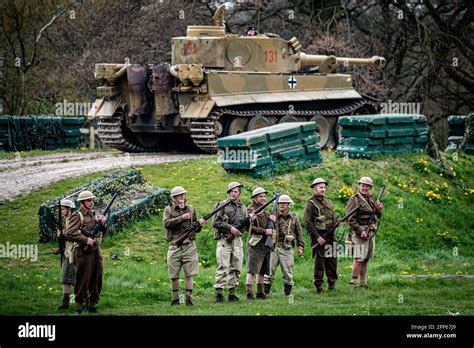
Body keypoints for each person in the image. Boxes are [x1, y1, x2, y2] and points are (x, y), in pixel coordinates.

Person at [65, 190, 107, 315]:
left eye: (92, 200)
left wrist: (103, 222)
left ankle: (92, 304)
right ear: (82, 202)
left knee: (97, 276)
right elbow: (69, 233)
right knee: (82, 278)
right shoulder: (77, 216)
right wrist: (85, 240)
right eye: (88, 200)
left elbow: (104, 231)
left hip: (95, 251)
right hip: (82, 252)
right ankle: (78, 306)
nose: (91, 202)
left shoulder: (94, 214)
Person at [163, 186, 205, 306]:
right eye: (179, 196)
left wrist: (200, 224)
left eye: (183, 195)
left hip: (189, 245)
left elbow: (196, 229)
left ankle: (188, 299)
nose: (182, 197)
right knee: (174, 275)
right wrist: (182, 218)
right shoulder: (168, 210)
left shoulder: (191, 208)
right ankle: (175, 299)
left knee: (189, 274)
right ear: (174, 198)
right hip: (174, 245)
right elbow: (166, 224)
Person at [213, 182, 253, 303]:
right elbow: (215, 222)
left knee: (236, 267)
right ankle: (219, 293)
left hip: (237, 241)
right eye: (231, 191)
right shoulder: (222, 205)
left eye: (236, 191)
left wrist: (250, 221)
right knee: (222, 266)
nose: (233, 193)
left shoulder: (244, 208)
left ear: (239, 193)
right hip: (225, 239)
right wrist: (230, 228)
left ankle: (232, 292)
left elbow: (245, 228)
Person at [304, 178, 341, 294]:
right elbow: (308, 222)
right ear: (315, 188)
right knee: (319, 264)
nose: (323, 189)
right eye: (321, 187)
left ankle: (332, 284)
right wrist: (316, 237)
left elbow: (331, 217)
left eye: (324, 187)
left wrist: (337, 222)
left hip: (331, 237)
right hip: (320, 237)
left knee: (332, 262)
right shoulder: (310, 203)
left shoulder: (328, 201)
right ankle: (318, 287)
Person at [263, 194, 304, 296]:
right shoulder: (272, 216)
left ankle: (287, 294)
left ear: (288, 204)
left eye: (284, 203)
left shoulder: (293, 218)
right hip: (273, 247)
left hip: (287, 247)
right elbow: (265, 229)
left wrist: (300, 247)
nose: (281, 205)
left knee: (288, 272)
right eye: (280, 203)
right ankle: (265, 293)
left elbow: (299, 233)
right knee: (268, 271)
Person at [346, 177, 383, 288]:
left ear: (370, 188)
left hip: (370, 231)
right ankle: (354, 282)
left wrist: (379, 211)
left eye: (367, 186)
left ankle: (363, 282)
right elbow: (350, 218)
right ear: (359, 186)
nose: (364, 187)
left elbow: (375, 216)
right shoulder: (354, 199)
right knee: (359, 258)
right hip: (359, 232)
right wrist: (360, 230)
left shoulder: (371, 198)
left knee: (366, 258)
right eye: (363, 185)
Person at [245, 187, 275, 300]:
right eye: (260, 196)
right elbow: (249, 228)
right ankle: (249, 293)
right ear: (255, 198)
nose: (263, 198)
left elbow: (270, 227)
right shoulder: (250, 210)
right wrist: (264, 231)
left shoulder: (266, 211)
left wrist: (272, 219)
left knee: (262, 270)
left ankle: (260, 292)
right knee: (252, 270)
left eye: (264, 196)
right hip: (255, 243)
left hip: (265, 244)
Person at [52, 199, 76, 309]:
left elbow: (75, 236)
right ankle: (65, 302)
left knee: (76, 279)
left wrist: (63, 234)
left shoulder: (74, 220)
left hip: (75, 253)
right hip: (67, 252)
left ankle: (83, 301)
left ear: (69, 209)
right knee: (65, 278)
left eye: (62, 209)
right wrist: (59, 249)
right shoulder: (66, 220)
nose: (61, 211)